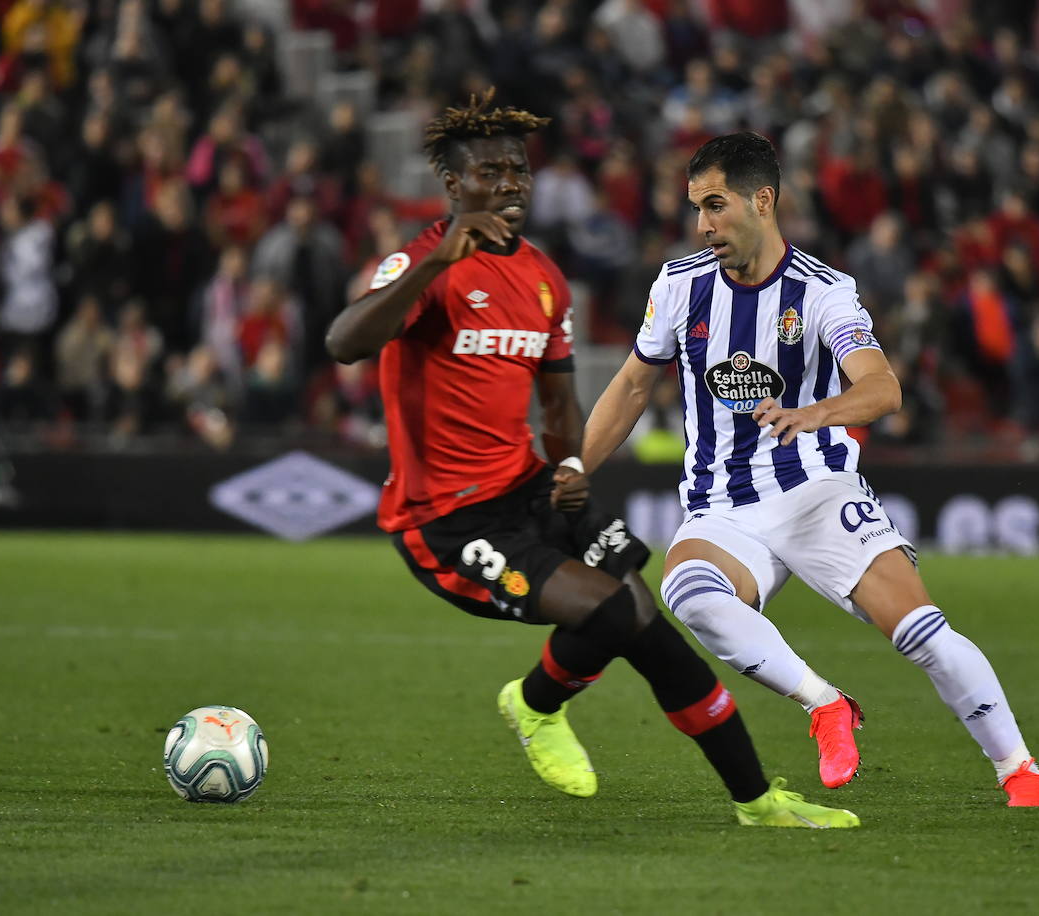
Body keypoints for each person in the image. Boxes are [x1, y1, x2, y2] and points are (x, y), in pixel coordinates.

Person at [324, 94, 856, 829]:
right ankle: (537, 706)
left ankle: (758, 802)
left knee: (649, 625)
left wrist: (571, 466)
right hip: (446, 516)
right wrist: (437, 261)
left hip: (530, 491)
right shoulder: (421, 265)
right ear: (454, 186)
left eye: (518, 170)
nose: (510, 184)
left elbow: (560, 405)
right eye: (490, 173)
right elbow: (344, 341)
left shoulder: (543, 278)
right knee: (611, 610)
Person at [578, 132, 1039, 806]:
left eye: (716, 205)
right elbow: (630, 388)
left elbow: (882, 387)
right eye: (696, 208)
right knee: (689, 591)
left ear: (763, 200)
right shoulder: (680, 286)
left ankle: (1020, 771)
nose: (702, 224)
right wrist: (570, 472)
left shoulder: (824, 291)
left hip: (815, 492)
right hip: (722, 503)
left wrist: (815, 413)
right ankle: (827, 705)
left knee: (921, 633)